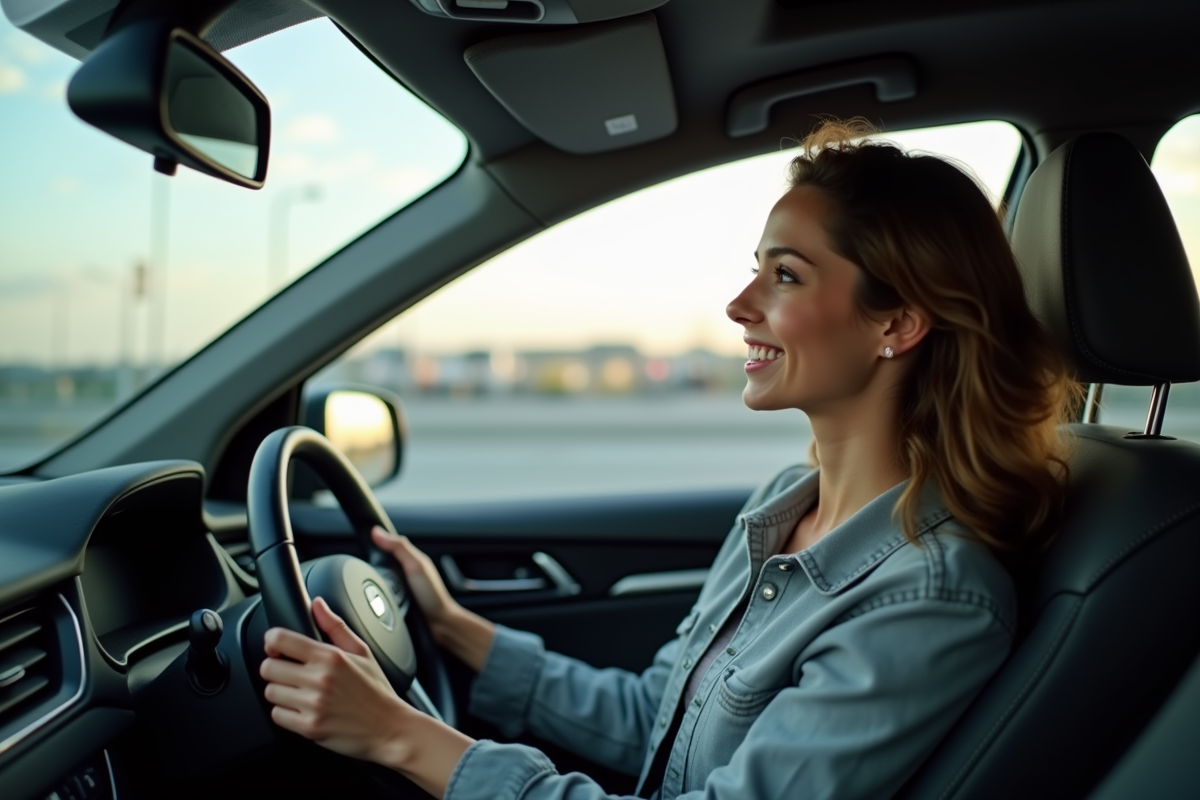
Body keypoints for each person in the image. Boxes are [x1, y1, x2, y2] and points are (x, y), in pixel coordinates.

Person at [259, 119, 1079, 800]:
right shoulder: (786, 504)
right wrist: (458, 631)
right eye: (755, 270)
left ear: (895, 324)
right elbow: (656, 718)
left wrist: (400, 736)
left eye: (785, 276)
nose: (739, 305)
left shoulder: (929, 600)